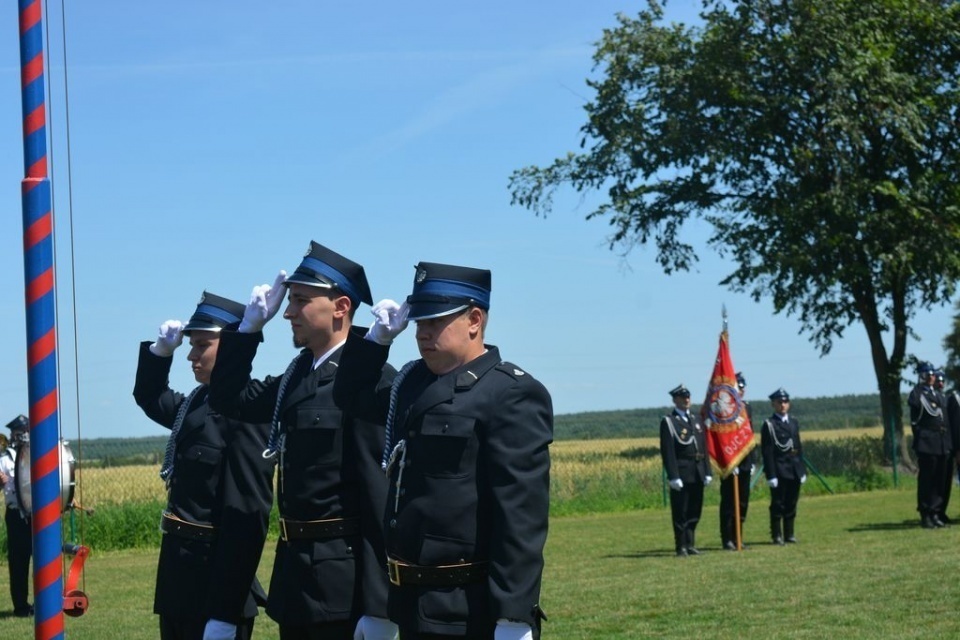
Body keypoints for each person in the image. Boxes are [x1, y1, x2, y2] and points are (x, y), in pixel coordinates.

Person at [333, 261, 553, 640]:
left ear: (474, 319)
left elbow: (519, 515)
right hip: (410, 604)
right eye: (419, 323)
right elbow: (350, 397)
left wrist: (514, 618)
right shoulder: (412, 383)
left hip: (468, 608)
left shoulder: (510, 393)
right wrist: (375, 343)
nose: (422, 333)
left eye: (435, 321)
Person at [206, 241, 397, 640]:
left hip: (344, 589)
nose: (288, 312)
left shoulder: (369, 378)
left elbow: (377, 494)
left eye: (300, 301)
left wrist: (379, 606)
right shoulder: (298, 375)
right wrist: (247, 330)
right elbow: (229, 398)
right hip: (297, 583)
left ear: (341, 307)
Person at [133, 292, 274, 640]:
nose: (191, 356)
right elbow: (151, 398)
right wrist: (159, 353)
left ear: (229, 348)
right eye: (190, 346)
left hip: (216, 581)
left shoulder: (247, 415)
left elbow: (248, 514)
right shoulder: (194, 405)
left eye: (201, 346)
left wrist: (225, 611)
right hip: (179, 576)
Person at [659, 384, 712, 557]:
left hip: (697, 471)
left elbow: (704, 448)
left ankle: (690, 543)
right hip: (682, 472)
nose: (686, 400)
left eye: (687, 397)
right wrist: (673, 475)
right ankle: (680, 545)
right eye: (682, 398)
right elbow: (668, 451)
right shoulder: (670, 422)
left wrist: (707, 471)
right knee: (680, 511)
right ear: (675, 400)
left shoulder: (697, 420)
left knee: (695, 510)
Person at [907, 362, 951, 529]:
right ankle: (925, 513)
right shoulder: (918, 394)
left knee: (939, 480)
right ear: (922, 375)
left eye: (933, 374)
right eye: (928, 374)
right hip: (927, 442)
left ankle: (935, 511)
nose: (932, 377)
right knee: (927, 480)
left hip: (940, 442)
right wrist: (921, 438)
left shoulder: (937, 394)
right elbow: (916, 420)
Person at [761, 388, 806, 545]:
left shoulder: (793, 422)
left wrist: (802, 469)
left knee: (791, 503)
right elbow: (767, 452)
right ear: (773, 404)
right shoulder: (769, 425)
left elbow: (798, 447)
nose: (783, 405)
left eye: (785, 402)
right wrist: (771, 474)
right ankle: (777, 535)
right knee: (778, 504)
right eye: (779, 402)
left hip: (794, 469)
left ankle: (789, 533)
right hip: (780, 469)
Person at [719, 372, 757, 551]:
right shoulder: (724, 409)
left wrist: (753, 461)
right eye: (737, 388)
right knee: (728, 502)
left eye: (742, 388)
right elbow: (721, 437)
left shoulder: (747, 408)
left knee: (743, 502)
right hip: (729, 462)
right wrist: (727, 461)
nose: (740, 392)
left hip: (745, 462)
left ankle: (738, 537)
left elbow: (750, 435)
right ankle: (727, 539)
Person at [0, 414, 32, 617]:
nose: (15, 436)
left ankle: (47, 602)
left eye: (19, 432)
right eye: (14, 433)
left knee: (45, 560)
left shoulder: (39, 454)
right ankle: (21, 607)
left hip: (39, 516)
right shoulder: (4, 458)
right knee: (18, 562)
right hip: (15, 516)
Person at [935, 369, 956, 525]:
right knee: (940, 481)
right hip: (944, 445)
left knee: (946, 481)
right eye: (938, 380)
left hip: (948, 445)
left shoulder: (947, 398)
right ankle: (937, 511)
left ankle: (940, 512)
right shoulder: (952, 398)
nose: (941, 383)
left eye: (943, 381)